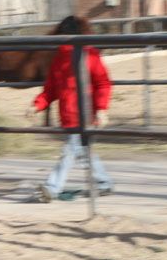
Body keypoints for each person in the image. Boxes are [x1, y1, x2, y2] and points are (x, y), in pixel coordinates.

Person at [26, 16, 113, 203]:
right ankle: (104, 182)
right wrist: (37, 105)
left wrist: (101, 109)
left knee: (70, 152)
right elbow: (51, 89)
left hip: (86, 116)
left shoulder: (90, 55)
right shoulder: (59, 59)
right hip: (69, 116)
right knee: (83, 152)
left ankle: (52, 188)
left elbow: (103, 83)